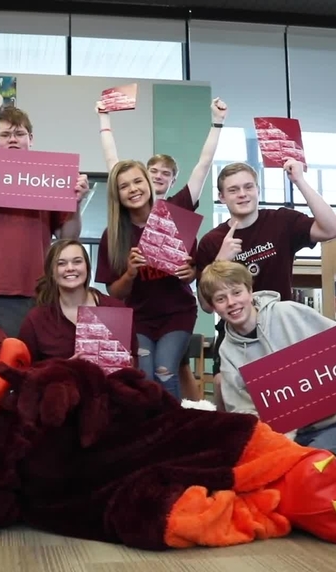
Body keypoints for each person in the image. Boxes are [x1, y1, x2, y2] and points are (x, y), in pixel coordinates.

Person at [199, 260, 336, 468]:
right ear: (214, 307)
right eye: (221, 298)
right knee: (278, 478)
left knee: (310, 473)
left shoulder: (288, 312)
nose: (231, 302)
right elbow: (243, 409)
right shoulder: (227, 351)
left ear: (250, 290)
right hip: (288, 434)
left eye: (237, 292)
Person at [94, 98, 227, 400]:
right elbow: (114, 293)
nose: (133, 189)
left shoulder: (173, 212)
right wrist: (129, 273)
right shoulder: (114, 234)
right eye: (124, 186)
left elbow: (203, 166)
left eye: (138, 181)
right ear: (117, 194)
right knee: (143, 373)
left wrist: (217, 122)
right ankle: (147, 432)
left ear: (149, 183)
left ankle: (170, 433)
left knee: (166, 370)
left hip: (176, 313)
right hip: (138, 317)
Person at [194, 160, 336, 409]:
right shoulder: (212, 241)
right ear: (221, 197)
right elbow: (206, 306)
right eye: (233, 190)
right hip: (236, 331)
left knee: (291, 395)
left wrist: (299, 181)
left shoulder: (281, 221)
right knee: (222, 384)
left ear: (257, 190)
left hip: (282, 327)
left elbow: (333, 229)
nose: (242, 194)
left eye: (248, 187)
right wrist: (220, 262)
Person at [0, 105, 91, 337]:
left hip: (31, 292)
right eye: (5, 135)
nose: (12, 140)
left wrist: (76, 202)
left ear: (30, 139)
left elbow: (68, 238)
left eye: (19, 134)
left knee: (22, 369)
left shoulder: (49, 177)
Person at [18, 239, 138, 364]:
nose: (70, 268)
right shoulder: (36, 320)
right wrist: (65, 368)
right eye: (61, 264)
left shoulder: (116, 309)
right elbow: (25, 373)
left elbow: (134, 360)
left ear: (87, 267)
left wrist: (127, 363)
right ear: (51, 272)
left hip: (110, 383)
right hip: (61, 383)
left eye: (77, 262)